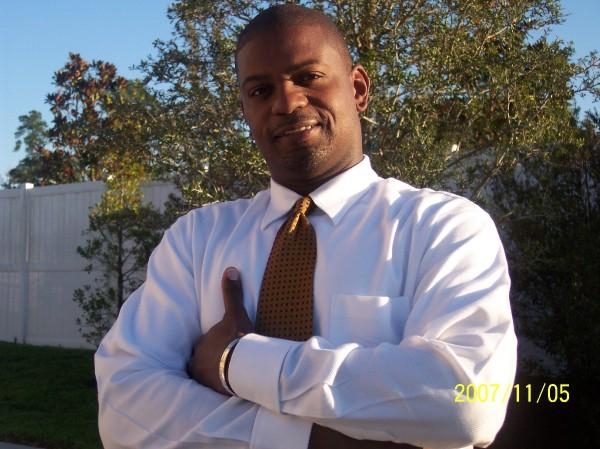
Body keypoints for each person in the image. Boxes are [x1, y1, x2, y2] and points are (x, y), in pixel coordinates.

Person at [95, 4, 517, 449]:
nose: (287, 103)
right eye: (260, 90)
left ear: (358, 88)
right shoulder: (196, 239)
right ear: (245, 110)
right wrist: (310, 440)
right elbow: (124, 405)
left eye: (308, 77)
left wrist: (233, 361)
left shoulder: (444, 229)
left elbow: (469, 399)